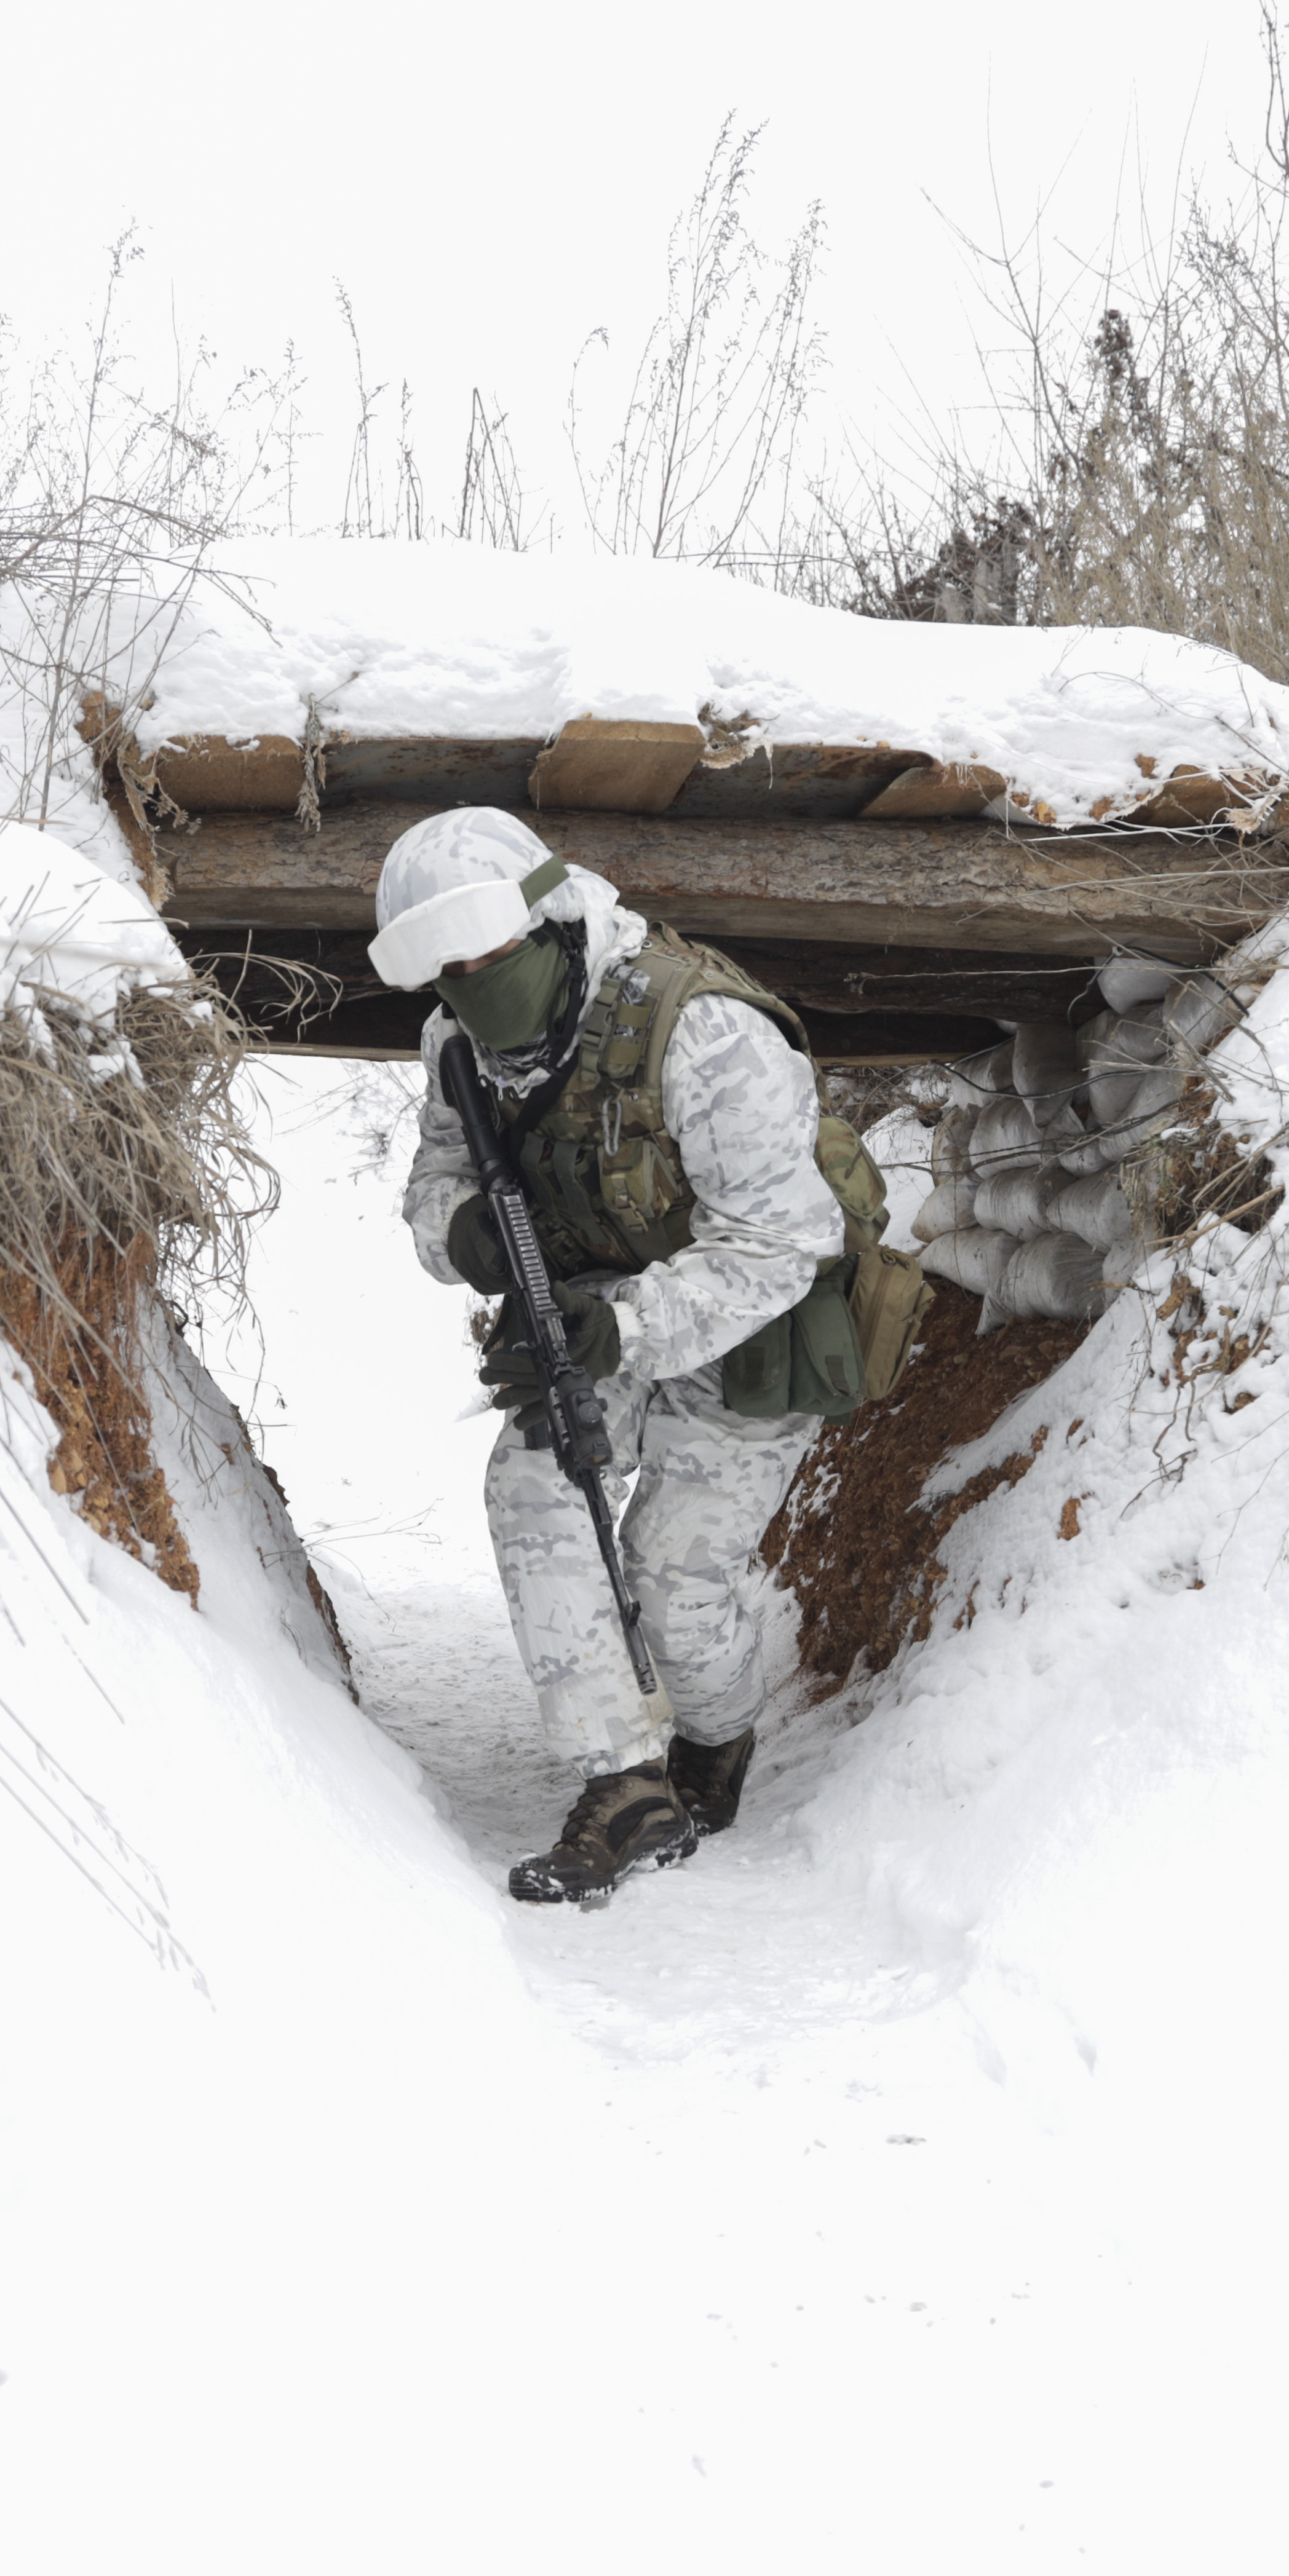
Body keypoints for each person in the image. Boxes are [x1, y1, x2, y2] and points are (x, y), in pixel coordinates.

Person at [369, 806, 844, 1905]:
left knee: (676, 1581)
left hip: (754, 1321)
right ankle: (623, 1783)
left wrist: (622, 1327)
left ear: (554, 926)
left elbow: (784, 1243)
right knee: (533, 1486)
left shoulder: (705, 1033)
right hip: (591, 1311)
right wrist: (466, 1237)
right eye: (450, 970)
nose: (474, 985)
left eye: (492, 957)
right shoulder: (458, 1044)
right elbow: (436, 1184)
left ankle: (717, 1740)